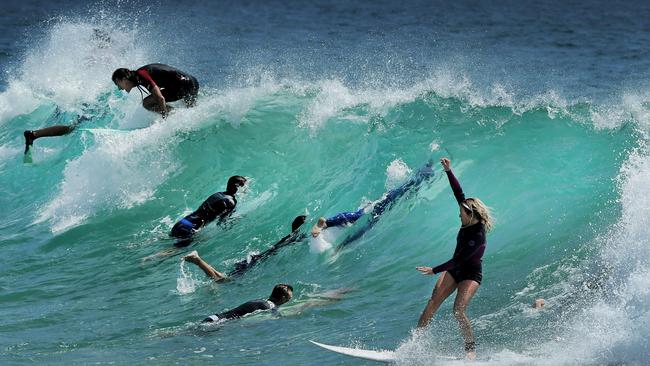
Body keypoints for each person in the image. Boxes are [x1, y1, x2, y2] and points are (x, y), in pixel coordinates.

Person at [415, 158, 493, 361]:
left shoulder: (478, 237)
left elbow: (459, 260)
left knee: (458, 310)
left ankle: (470, 349)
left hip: (470, 273)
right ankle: (415, 344)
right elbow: (458, 193)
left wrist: (434, 269)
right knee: (433, 302)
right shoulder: (467, 216)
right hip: (455, 269)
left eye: (461, 214)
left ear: (470, 215)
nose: (459, 216)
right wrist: (449, 171)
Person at [310, 159, 434, 244]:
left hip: (384, 199)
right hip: (385, 203)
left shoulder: (412, 182)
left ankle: (328, 224)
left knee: (357, 215)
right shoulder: (415, 182)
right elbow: (407, 192)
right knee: (366, 226)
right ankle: (340, 241)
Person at [181, 215, 307, 280]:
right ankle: (197, 259)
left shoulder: (289, 237)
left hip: (253, 260)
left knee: (222, 278)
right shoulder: (292, 238)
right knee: (221, 280)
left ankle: (197, 260)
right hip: (253, 262)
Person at [170, 175, 247, 248]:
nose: (246, 188)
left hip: (182, 223)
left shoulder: (218, 194)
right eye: (244, 186)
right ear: (238, 186)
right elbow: (222, 223)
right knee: (171, 251)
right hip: (189, 229)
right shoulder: (231, 202)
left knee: (170, 245)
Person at [112, 63, 199, 116]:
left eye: (118, 84)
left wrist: (164, 118)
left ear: (124, 80)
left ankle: (174, 115)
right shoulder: (140, 75)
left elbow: (160, 98)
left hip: (185, 85)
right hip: (192, 83)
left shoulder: (141, 75)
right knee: (191, 111)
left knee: (147, 103)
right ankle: (177, 115)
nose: (119, 88)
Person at [202, 284, 293, 323]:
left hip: (214, 318)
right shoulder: (269, 307)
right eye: (290, 296)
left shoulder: (262, 301)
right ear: (283, 298)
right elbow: (276, 317)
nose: (291, 298)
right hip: (216, 323)